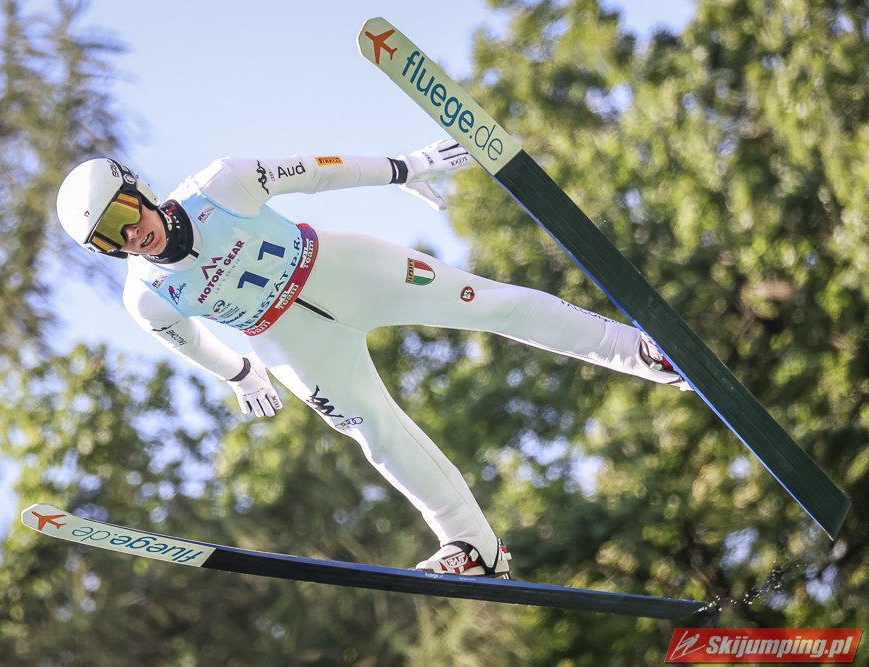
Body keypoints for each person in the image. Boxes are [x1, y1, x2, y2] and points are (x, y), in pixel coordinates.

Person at [56, 139, 688, 579]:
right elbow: (189, 342)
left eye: (123, 213)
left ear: (137, 189)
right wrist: (240, 372)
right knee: (377, 435)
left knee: (489, 304)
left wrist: (404, 167)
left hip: (341, 269)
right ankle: (472, 546)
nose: (129, 234)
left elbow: (317, 170)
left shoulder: (220, 185)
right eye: (108, 237)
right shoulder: (146, 297)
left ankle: (640, 351)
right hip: (289, 343)